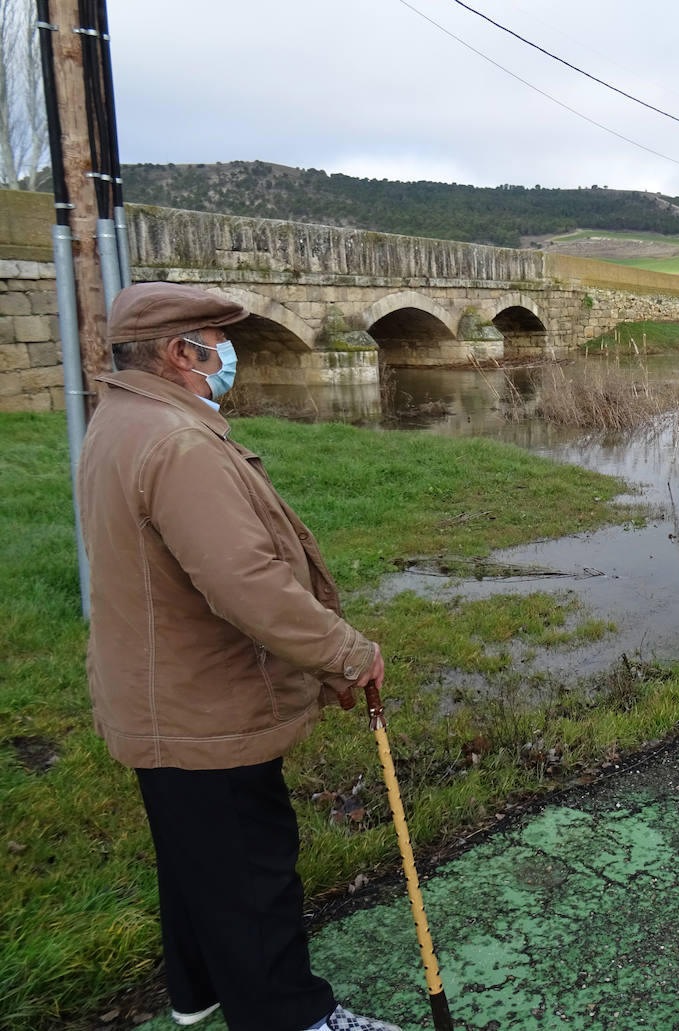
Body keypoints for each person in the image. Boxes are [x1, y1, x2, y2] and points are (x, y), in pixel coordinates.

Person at [77, 282, 401, 1031]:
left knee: (197, 855)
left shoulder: (125, 417)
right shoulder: (177, 442)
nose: (229, 351)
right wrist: (346, 652)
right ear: (179, 351)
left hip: (160, 694)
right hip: (203, 703)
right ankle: (291, 1017)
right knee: (251, 870)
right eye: (216, 337)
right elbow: (246, 581)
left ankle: (196, 989)